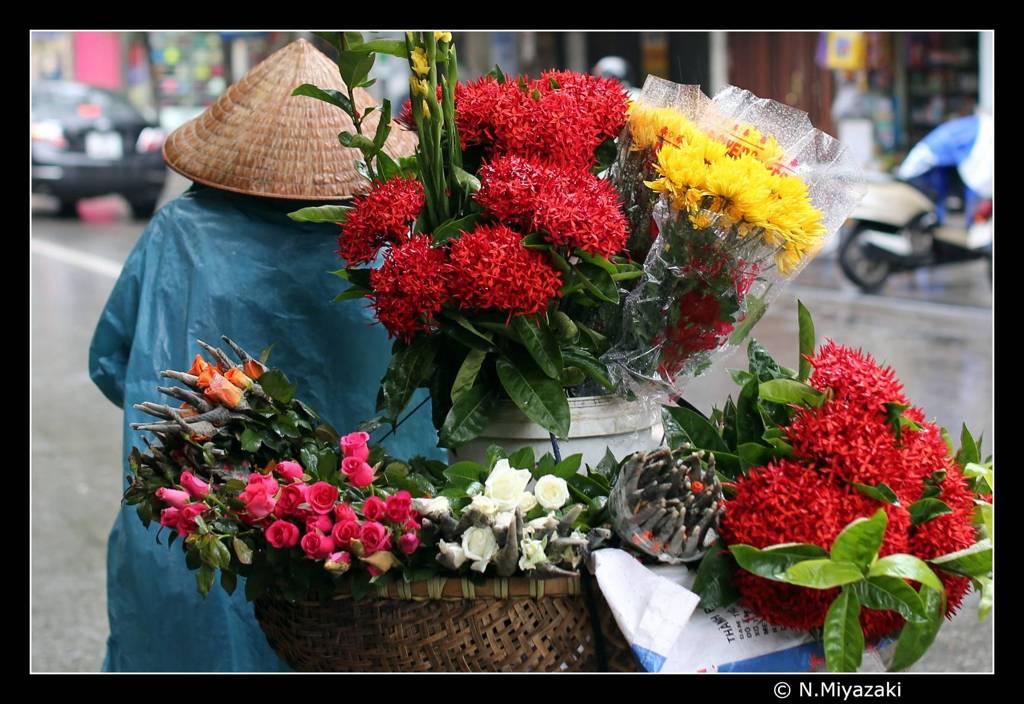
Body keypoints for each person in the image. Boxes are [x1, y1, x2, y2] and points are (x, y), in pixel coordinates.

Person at [88, 38, 441, 672]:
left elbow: (112, 363)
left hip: (206, 515)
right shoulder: (391, 245)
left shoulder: (182, 232)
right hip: (372, 524)